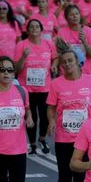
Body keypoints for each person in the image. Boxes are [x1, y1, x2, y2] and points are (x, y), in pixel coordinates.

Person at [47, 50, 91, 182]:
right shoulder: (56, 84)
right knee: (65, 174)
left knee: (81, 176)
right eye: (64, 62)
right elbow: (51, 107)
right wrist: (51, 121)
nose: (67, 64)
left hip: (86, 137)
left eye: (70, 60)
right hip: (64, 138)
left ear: (77, 62)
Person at [14, 19, 58, 154]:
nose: (34, 29)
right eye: (31, 27)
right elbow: (16, 68)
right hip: (27, 89)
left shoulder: (48, 44)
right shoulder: (21, 45)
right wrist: (23, 56)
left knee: (45, 116)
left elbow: (55, 58)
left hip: (45, 88)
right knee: (30, 116)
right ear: (27, 30)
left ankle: (42, 138)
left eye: (37, 26)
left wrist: (54, 65)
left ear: (41, 30)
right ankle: (32, 143)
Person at [56, 5, 91, 75]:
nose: (75, 16)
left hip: (85, 73)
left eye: (77, 14)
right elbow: (58, 56)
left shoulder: (89, 31)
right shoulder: (61, 32)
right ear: (66, 18)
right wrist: (67, 50)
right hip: (67, 73)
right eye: (71, 14)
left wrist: (84, 42)